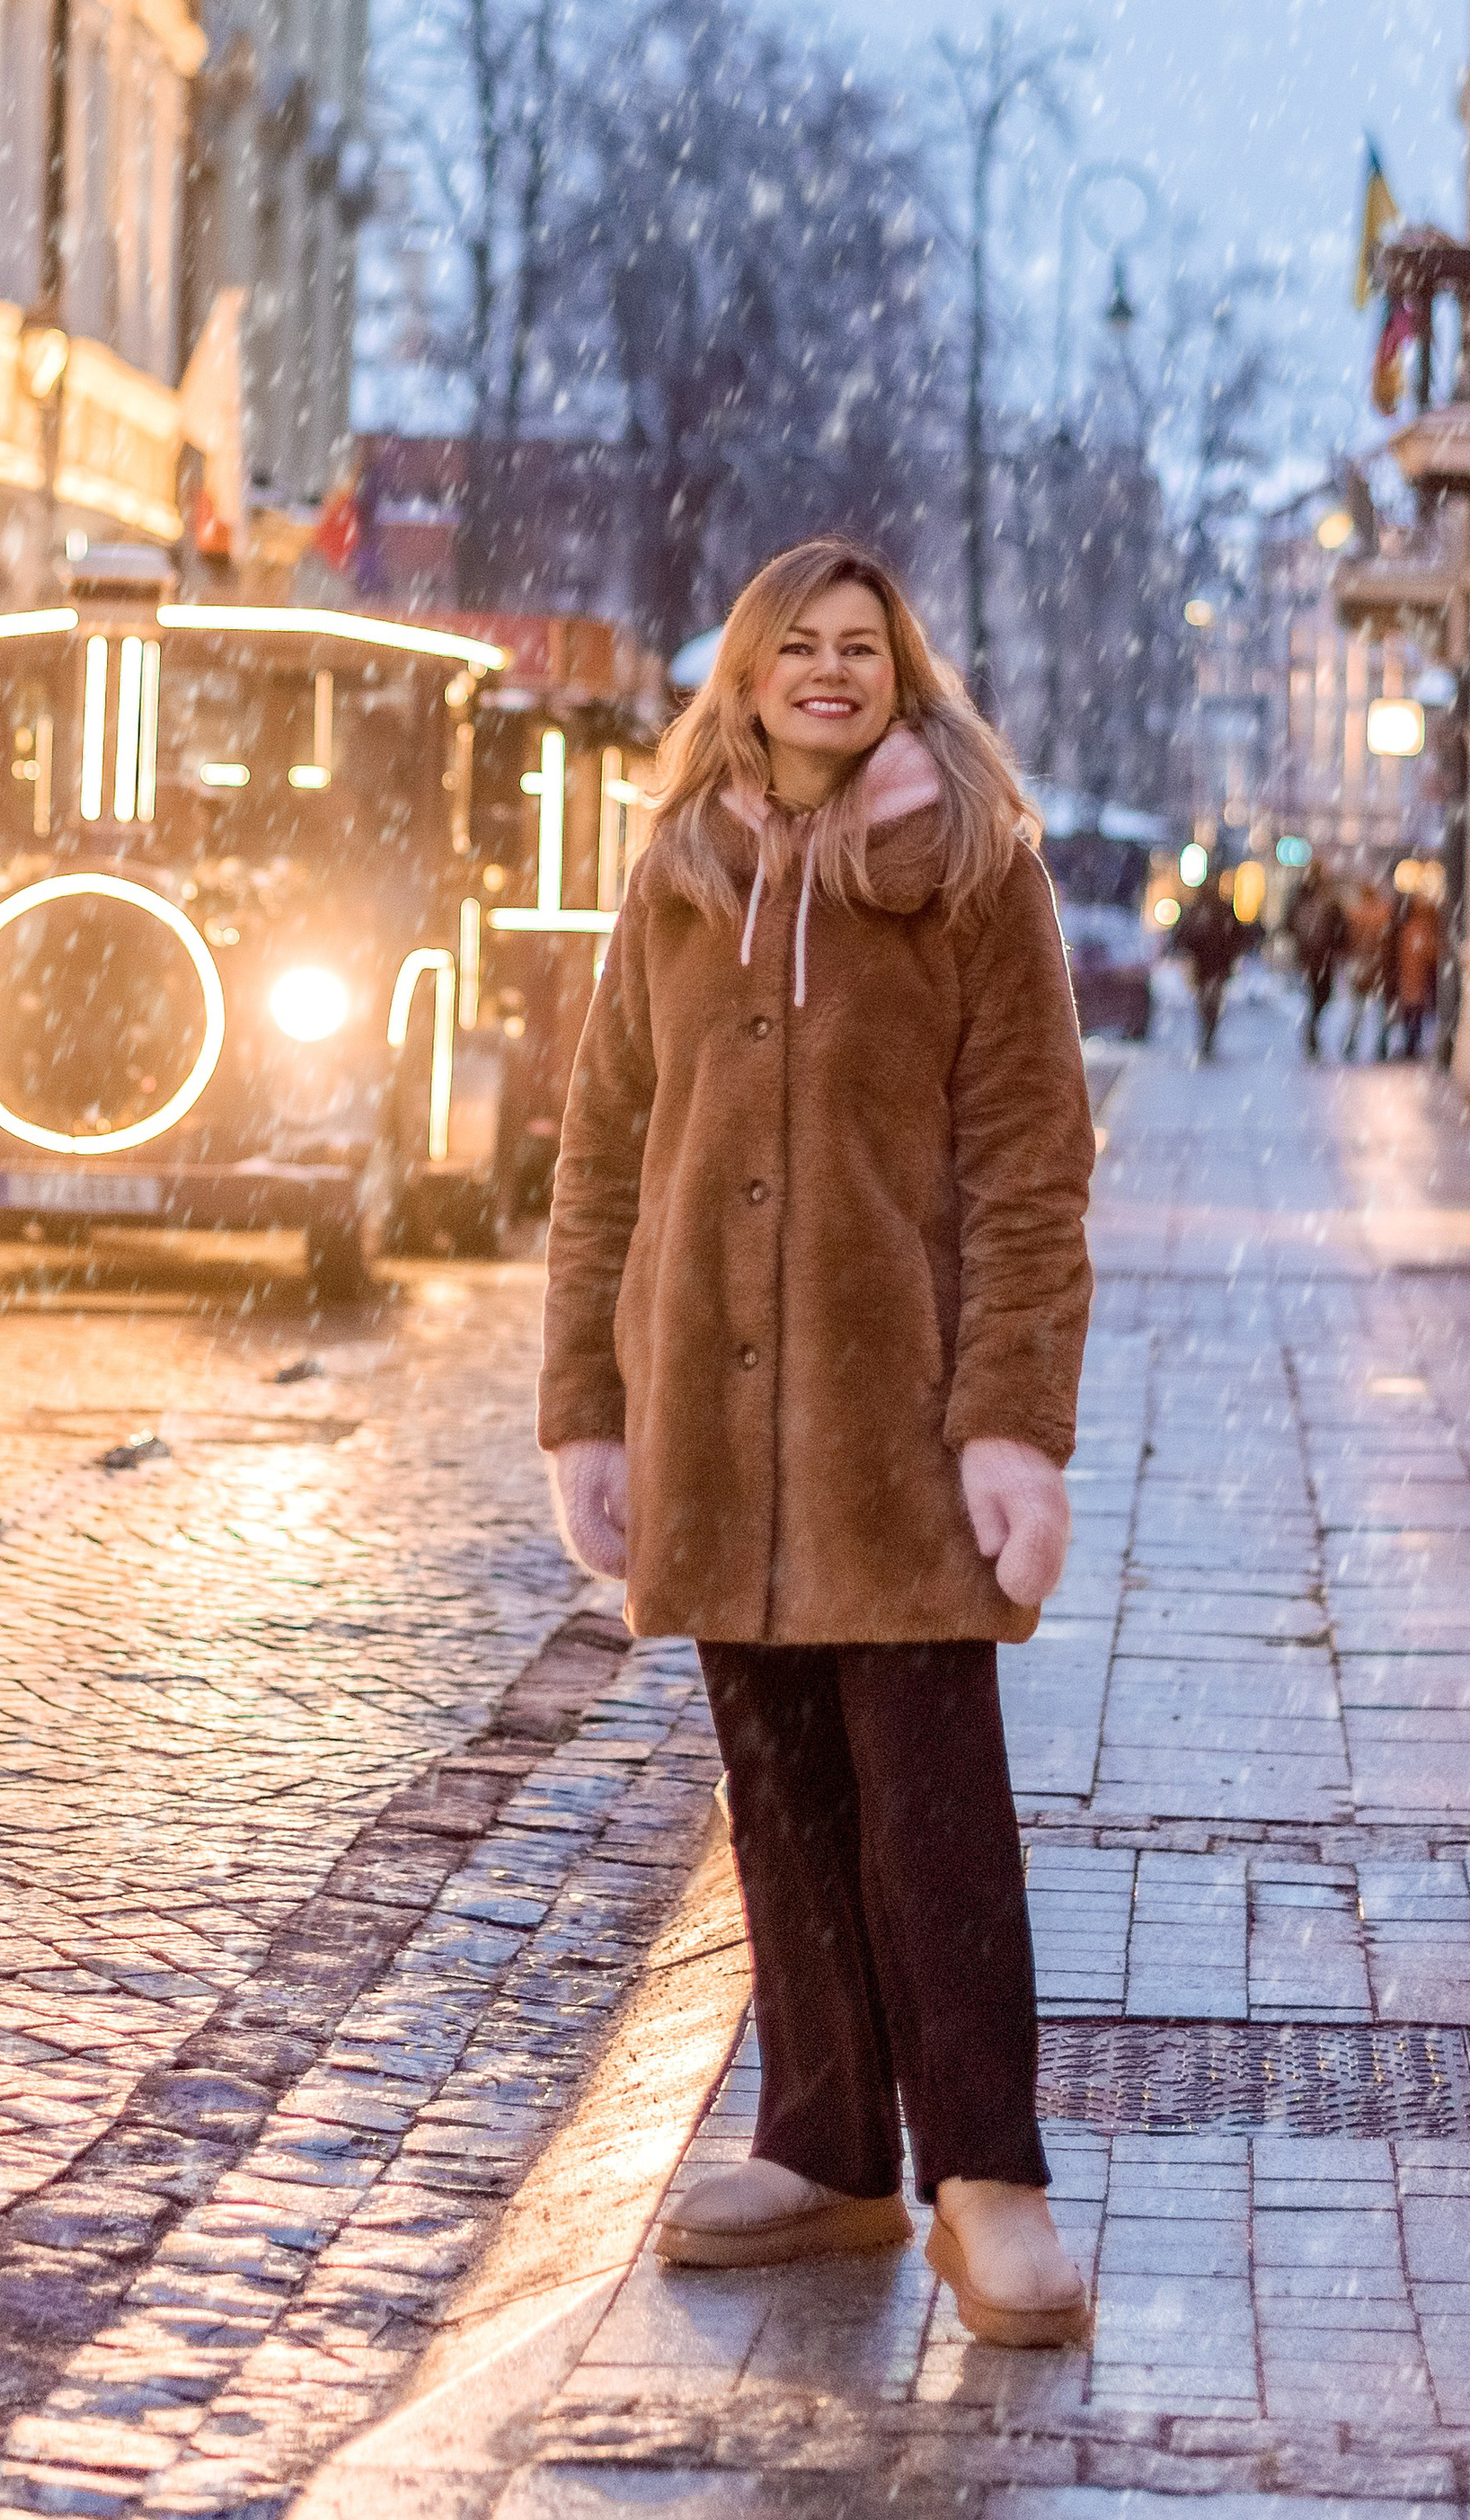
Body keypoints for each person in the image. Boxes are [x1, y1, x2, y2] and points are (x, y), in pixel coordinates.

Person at [541, 537, 1094, 2351]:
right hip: (711, 1417)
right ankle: (827, 2147)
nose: (829, 671)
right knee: (777, 1802)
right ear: (749, 671)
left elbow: (1027, 1161)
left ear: (898, 671)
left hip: (893, 1428)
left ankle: (986, 2180)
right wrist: (587, 1411)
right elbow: (600, 1158)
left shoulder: (972, 873)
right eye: (799, 645)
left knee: (932, 1817)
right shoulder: (676, 874)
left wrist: (1006, 1421)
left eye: (860, 646)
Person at [1173, 877, 1248, 1063]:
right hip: (1212, 964)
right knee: (1209, 1000)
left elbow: (1183, 934)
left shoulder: (1200, 910)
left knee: (1207, 1000)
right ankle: (1208, 1032)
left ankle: (1208, 1032)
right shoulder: (1213, 910)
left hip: (1210, 964)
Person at [1287, 862, 1348, 1064]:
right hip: (1321, 955)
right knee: (1322, 994)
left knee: (1318, 994)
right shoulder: (1326, 898)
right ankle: (1312, 1029)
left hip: (1310, 955)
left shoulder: (1302, 896)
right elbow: (1340, 928)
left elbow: (1289, 923)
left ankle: (1311, 1028)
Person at [1390, 882, 1442, 1064]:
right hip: (1418, 980)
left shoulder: (1409, 929)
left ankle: (1410, 1045)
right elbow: (1431, 955)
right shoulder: (1425, 930)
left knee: (1411, 1015)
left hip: (1409, 979)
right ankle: (1412, 1045)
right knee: (1415, 1016)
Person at [1342, 877, 1392, 1060]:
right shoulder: (1383, 914)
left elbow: (1347, 940)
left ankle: (1351, 1042)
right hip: (1378, 966)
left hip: (1359, 965)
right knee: (1380, 1008)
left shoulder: (1354, 914)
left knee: (1356, 1008)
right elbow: (1388, 942)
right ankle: (1382, 1043)